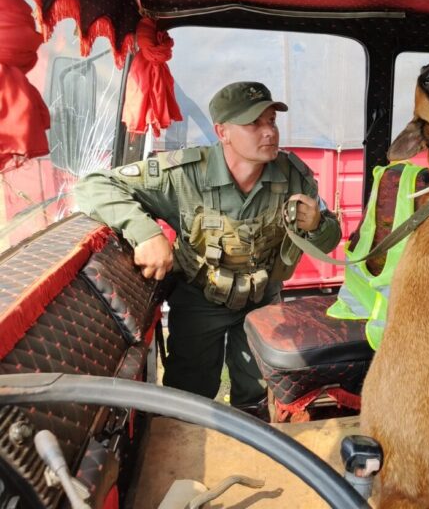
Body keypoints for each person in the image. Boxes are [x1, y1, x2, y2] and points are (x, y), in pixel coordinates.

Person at [75, 81, 342, 418]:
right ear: (223, 132)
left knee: (259, 392)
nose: (268, 132)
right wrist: (145, 233)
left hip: (262, 303)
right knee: (189, 396)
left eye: (271, 121)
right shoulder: (183, 175)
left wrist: (317, 224)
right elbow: (94, 185)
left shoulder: (294, 175)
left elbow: (331, 239)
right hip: (201, 299)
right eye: (253, 124)